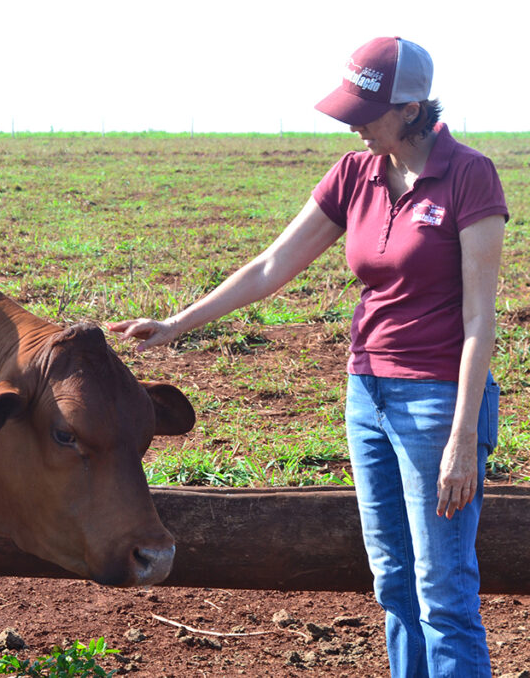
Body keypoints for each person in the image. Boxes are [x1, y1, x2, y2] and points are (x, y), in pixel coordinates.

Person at [107, 36, 507, 677]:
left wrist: (463, 436)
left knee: (443, 593)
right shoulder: (355, 174)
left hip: (437, 401)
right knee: (395, 585)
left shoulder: (468, 175)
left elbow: (480, 320)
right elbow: (270, 266)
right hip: (366, 397)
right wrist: (179, 324)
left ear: (409, 108)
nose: (351, 123)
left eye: (364, 110)